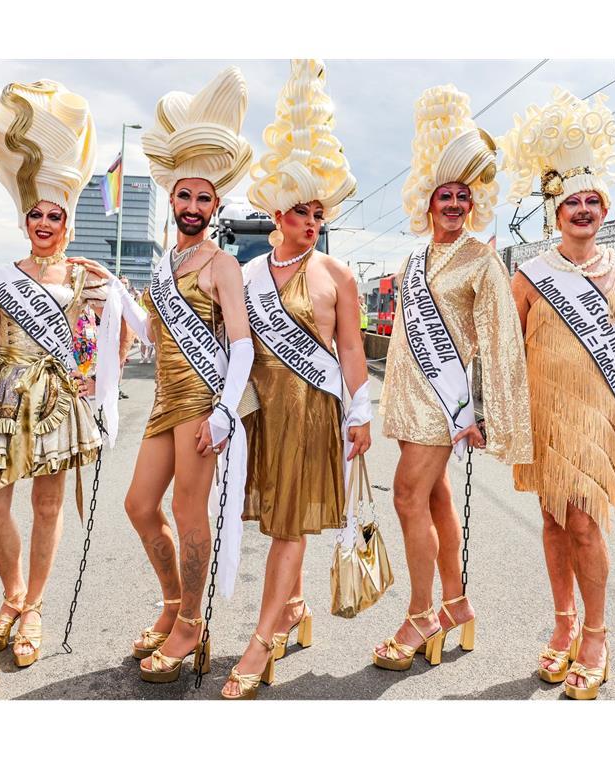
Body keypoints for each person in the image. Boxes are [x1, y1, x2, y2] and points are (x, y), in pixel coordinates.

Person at [0, 76, 128, 669]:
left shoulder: (87, 278)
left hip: (60, 400)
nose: (43, 221)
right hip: (7, 398)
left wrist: (97, 378)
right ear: (24, 220)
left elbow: (116, 334)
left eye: (53, 214)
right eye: (35, 213)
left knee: (49, 507)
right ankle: (11, 591)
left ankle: (32, 605)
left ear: (67, 222)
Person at [222, 60, 371, 699]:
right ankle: (296, 610)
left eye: (318, 212)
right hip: (263, 414)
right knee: (276, 519)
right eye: (301, 211)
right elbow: (232, 348)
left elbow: (353, 352)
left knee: (287, 527)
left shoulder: (339, 276)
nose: (312, 222)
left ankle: (261, 643)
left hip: (313, 413)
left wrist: (359, 415)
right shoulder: (249, 276)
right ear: (277, 213)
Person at [501, 88, 615, 700]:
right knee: (550, 518)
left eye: (593, 201)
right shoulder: (530, 275)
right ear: (556, 212)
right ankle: (563, 623)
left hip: (597, 417)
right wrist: (499, 413)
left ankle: (596, 635)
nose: (584, 209)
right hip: (542, 414)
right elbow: (507, 350)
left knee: (586, 526)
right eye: (573, 202)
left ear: (604, 210)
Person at [372, 85, 532, 673]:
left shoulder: (481, 259)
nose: (455, 204)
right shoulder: (414, 261)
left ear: (475, 203)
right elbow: (396, 345)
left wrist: (485, 413)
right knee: (434, 496)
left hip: (445, 404)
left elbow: (497, 340)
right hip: (411, 399)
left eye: (465, 196)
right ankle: (457, 605)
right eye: (446, 194)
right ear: (429, 199)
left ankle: (419, 614)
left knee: (408, 496)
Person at [124, 66, 255, 685]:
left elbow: (242, 345)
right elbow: (155, 332)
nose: (195, 207)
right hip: (165, 398)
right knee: (139, 504)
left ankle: (192, 623)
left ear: (216, 206)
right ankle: (174, 599)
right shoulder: (165, 264)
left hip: (202, 401)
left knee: (188, 508)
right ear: (171, 199)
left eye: (205, 199)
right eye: (185, 197)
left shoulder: (222, 264)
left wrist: (226, 412)